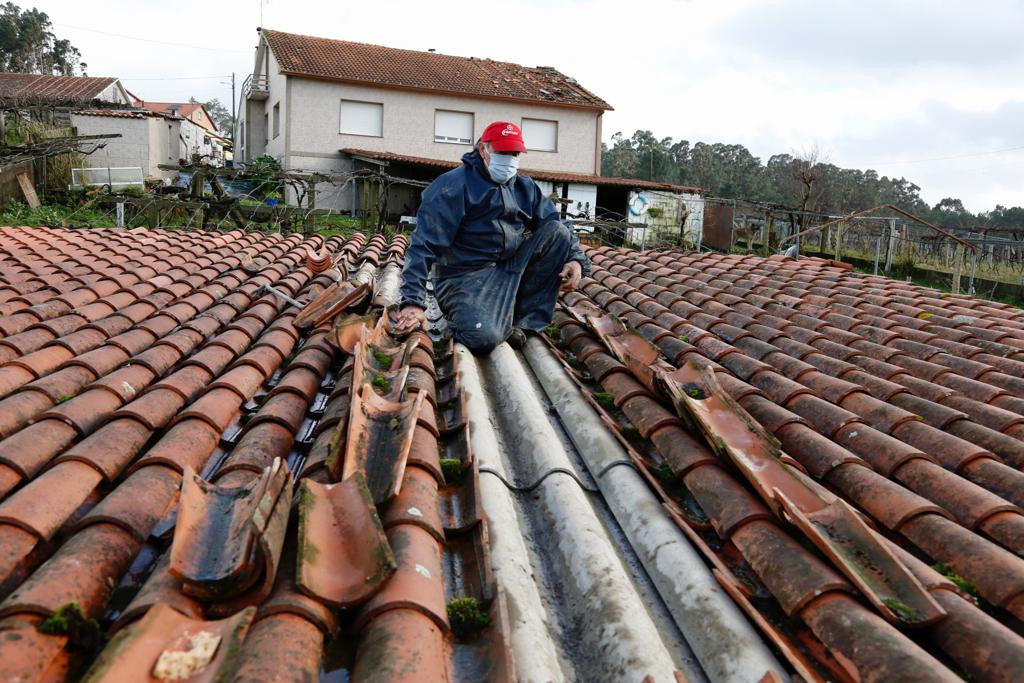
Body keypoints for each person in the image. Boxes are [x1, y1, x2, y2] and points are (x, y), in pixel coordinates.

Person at [393, 121, 591, 354]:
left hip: (508, 269)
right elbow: (422, 247)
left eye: (514, 154)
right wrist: (412, 302)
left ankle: (522, 322)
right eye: (502, 153)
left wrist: (576, 259)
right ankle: (477, 321)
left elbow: (556, 222)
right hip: (463, 277)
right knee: (482, 338)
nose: (509, 160)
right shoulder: (452, 186)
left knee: (558, 232)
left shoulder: (524, 187)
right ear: (483, 150)